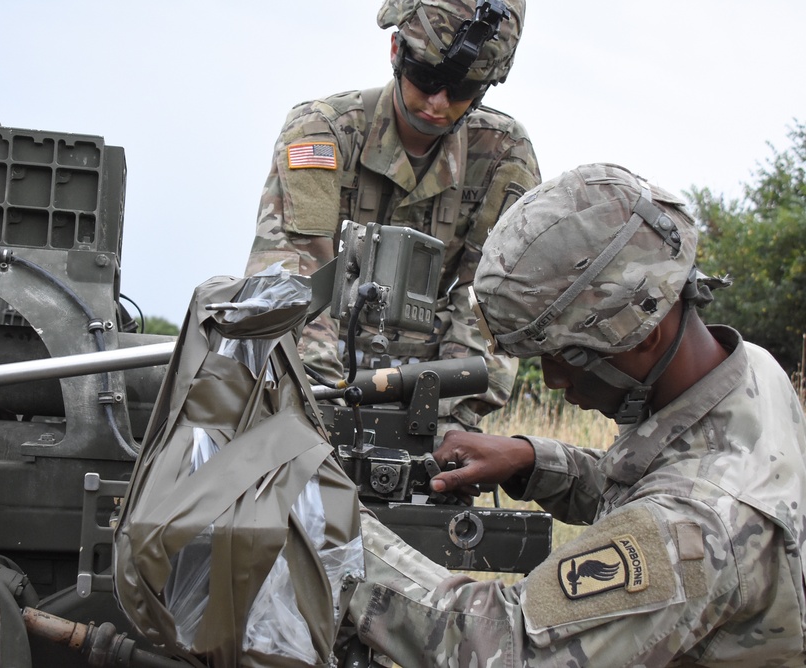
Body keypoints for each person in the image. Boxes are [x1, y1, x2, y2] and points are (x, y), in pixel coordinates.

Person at [347, 163, 806, 666]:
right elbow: (665, 479)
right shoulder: (746, 370)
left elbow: (509, 649)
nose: (551, 380)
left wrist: (337, 533)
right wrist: (531, 460)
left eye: (565, 355)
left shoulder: (695, 526)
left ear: (643, 333)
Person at [245, 0, 540, 429]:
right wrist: (327, 405)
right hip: (312, 381)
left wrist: (447, 422)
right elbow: (291, 276)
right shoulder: (325, 131)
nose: (438, 103)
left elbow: (490, 302)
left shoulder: (503, 155)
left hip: (432, 388)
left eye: (461, 90)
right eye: (426, 78)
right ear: (395, 50)